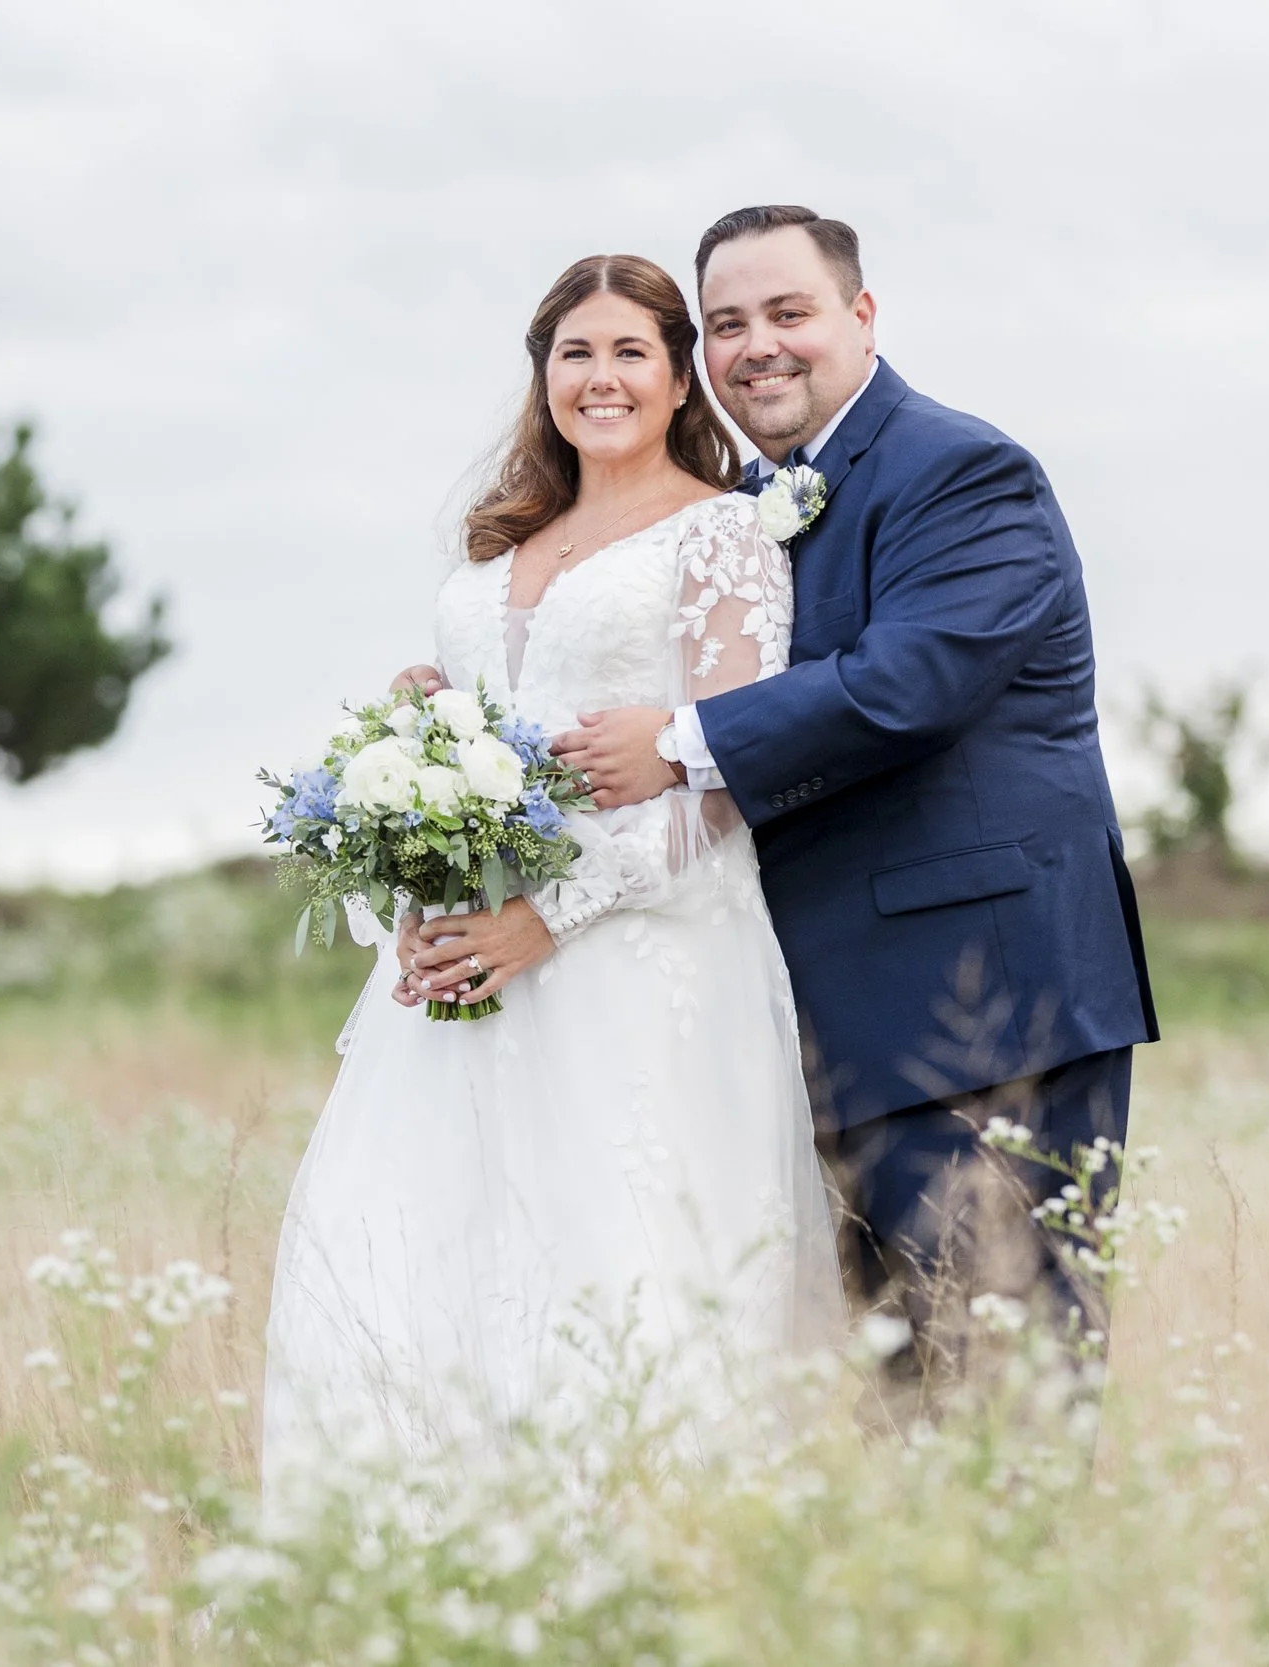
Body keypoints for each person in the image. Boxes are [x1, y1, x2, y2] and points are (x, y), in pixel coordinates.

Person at [418, 206, 1160, 1379]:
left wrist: (680, 736)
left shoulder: (960, 469)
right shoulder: (762, 502)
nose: (757, 345)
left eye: (788, 313)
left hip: (975, 1005)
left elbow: (910, 682)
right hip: (809, 1022)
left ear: (860, 317)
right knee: (895, 1390)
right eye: (727, 323)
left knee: (1004, 1378)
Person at [260, 255, 844, 1494]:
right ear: (544, 376)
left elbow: (727, 774)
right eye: (574, 353)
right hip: (476, 964)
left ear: (678, 374)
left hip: (641, 953)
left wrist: (546, 918)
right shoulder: (497, 548)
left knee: (615, 1268)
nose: (601, 378)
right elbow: (480, 760)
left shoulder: (725, 533)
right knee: (424, 1262)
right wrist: (417, 805)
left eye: (630, 351)